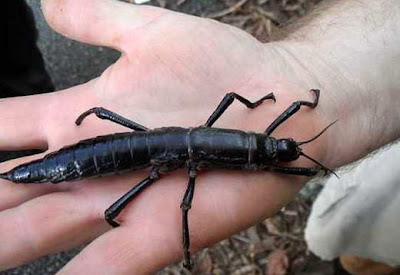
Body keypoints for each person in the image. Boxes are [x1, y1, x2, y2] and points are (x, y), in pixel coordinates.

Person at [0, 0, 398, 274]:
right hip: (113, 155)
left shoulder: (243, 141)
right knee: (166, 206)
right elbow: (188, 206)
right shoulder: (249, 157)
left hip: (131, 148)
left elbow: (275, 138)